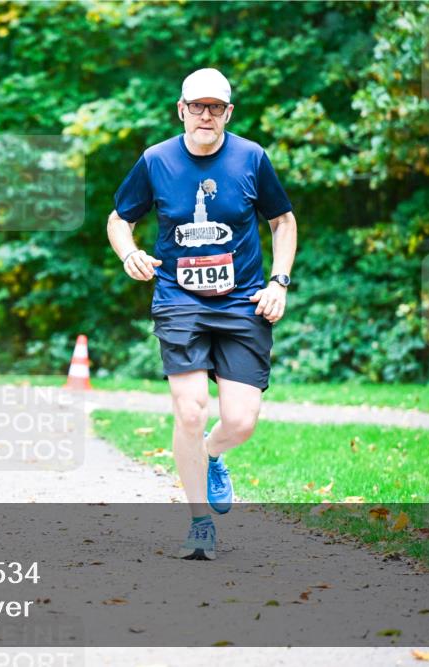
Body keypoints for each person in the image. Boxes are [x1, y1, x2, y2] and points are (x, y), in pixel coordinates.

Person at [108, 68, 297, 560]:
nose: (206, 115)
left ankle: (214, 454)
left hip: (242, 301)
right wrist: (128, 252)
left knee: (241, 422)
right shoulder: (156, 161)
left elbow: (282, 221)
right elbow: (119, 219)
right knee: (190, 410)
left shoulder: (251, 157)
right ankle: (199, 523)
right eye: (198, 106)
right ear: (182, 110)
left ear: (228, 113)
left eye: (216, 107)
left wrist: (279, 281)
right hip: (179, 300)